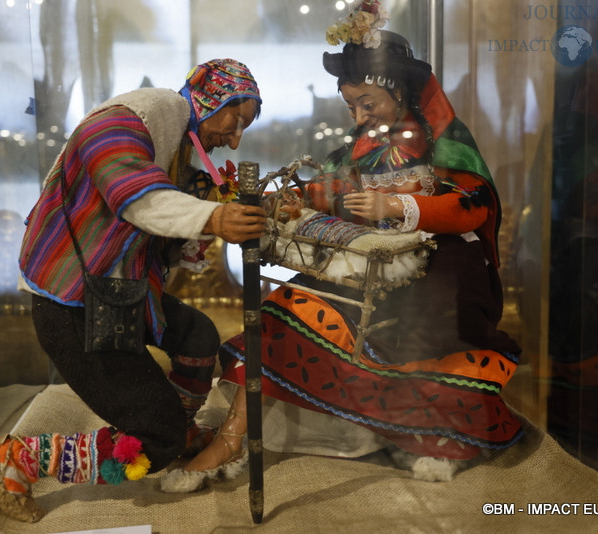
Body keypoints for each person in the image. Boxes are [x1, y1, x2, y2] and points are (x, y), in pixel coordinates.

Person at [161, 10, 522, 494]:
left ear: (399, 92)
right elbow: (330, 189)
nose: (358, 118)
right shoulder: (361, 148)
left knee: (426, 327)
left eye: (367, 104)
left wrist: (396, 204)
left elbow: (472, 207)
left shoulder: (443, 141)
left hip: (444, 269)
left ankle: (435, 438)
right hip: (368, 262)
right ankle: (230, 440)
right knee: (281, 311)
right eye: (351, 105)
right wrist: (288, 200)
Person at [0, 58, 267, 522]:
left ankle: (179, 426)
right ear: (208, 99)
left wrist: (204, 222)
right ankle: (22, 459)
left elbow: (164, 215)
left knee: (197, 335)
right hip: (72, 306)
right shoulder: (120, 125)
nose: (234, 138)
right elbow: (132, 194)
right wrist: (213, 218)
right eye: (234, 121)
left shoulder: (172, 145)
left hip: (121, 296)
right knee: (156, 441)